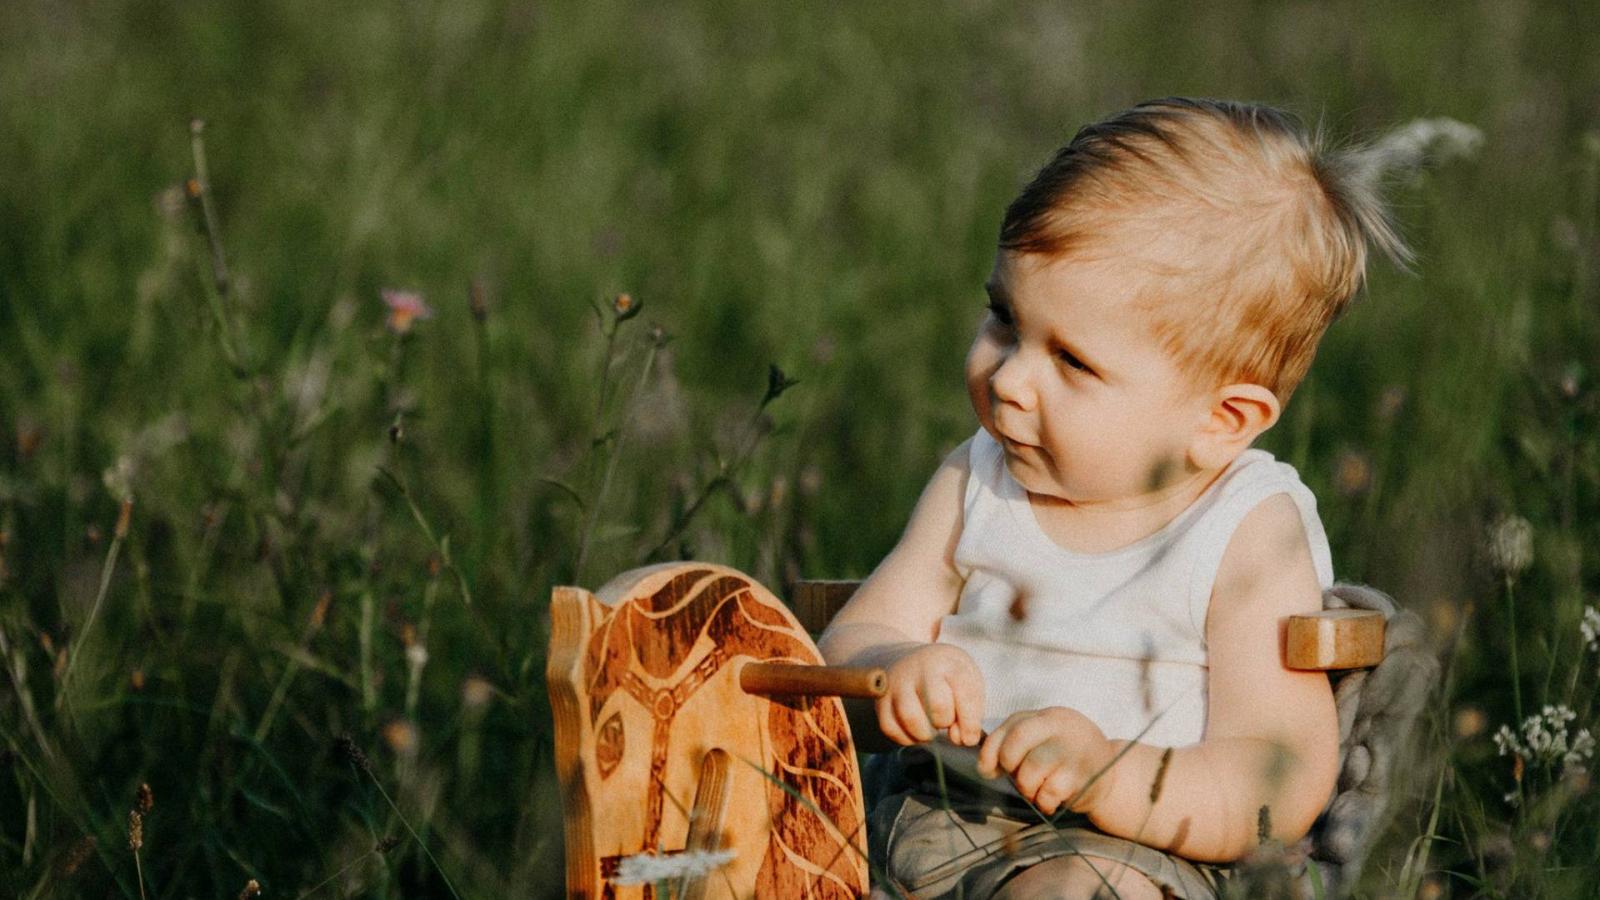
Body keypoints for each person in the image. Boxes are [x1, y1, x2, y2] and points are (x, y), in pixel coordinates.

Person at [817, 97, 1412, 899]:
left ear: (1219, 420)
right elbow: (857, 632)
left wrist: (1114, 778)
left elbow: (1274, 778)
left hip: (1134, 851)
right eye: (1004, 318)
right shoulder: (976, 478)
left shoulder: (1242, 529)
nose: (1008, 377)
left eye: (1073, 362)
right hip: (927, 820)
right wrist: (892, 666)